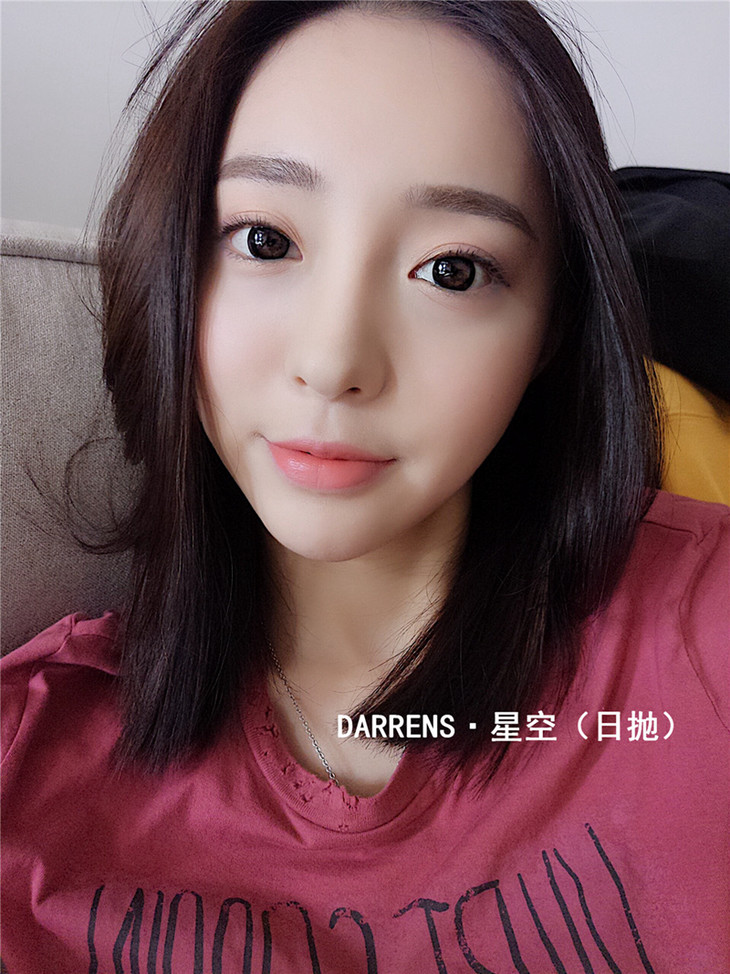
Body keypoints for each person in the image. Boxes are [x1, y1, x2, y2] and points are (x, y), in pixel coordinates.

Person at [2, 2, 727, 971]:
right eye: (264, 241)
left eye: (452, 269)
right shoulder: (26, 767)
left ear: (550, 330)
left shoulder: (704, 633)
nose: (336, 360)